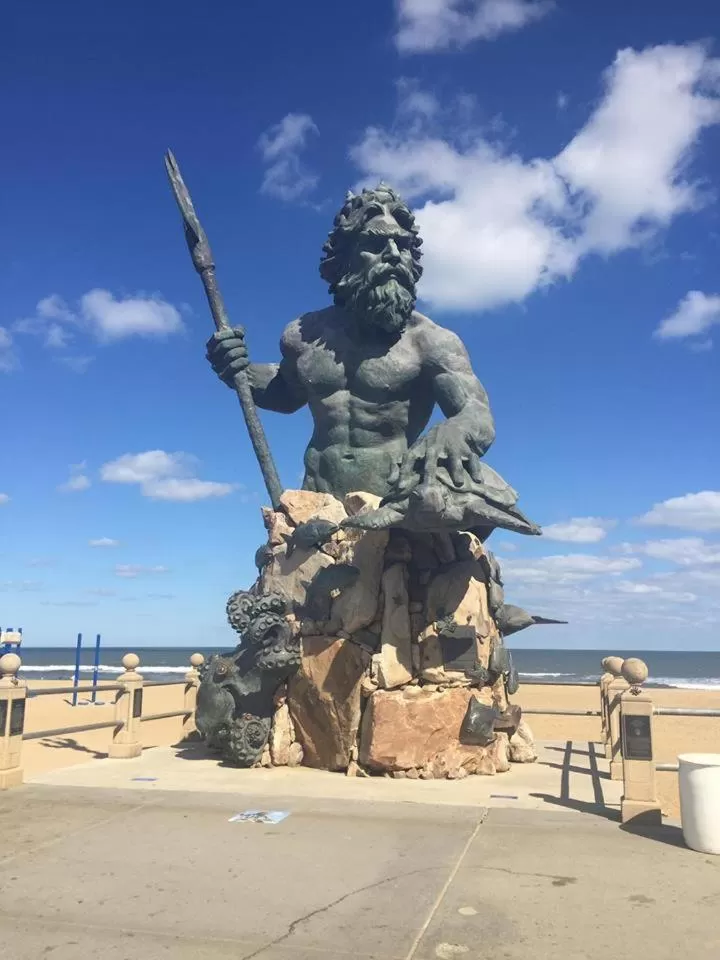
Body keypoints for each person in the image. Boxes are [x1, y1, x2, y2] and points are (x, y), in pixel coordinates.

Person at [207, 184, 538, 537]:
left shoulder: (432, 342)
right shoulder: (302, 335)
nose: (394, 255)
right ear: (344, 259)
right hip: (316, 505)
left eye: (404, 247)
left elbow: (476, 413)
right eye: (376, 245)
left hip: (393, 513)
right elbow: (286, 393)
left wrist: (454, 430)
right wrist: (238, 369)